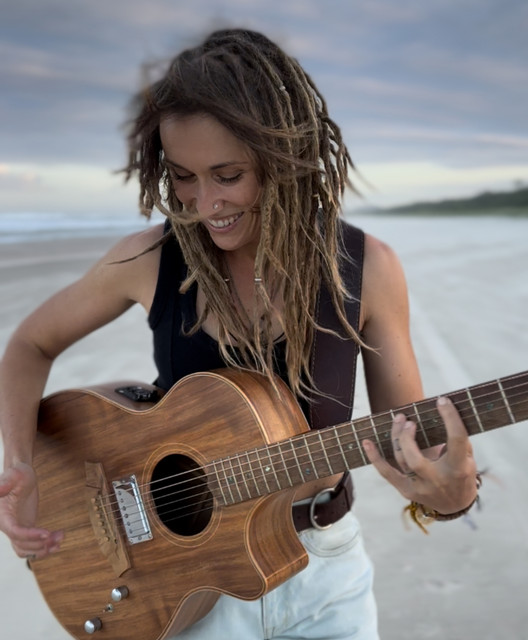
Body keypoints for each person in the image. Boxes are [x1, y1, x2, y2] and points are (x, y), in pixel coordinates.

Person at [0, 28, 478, 639]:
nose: (205, 204)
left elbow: (417, 450)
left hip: (325, 576)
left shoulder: (366, 270)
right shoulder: (151, 260)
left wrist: (451, 497)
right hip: (184, 584)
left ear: (282, 157)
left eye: (227, 175)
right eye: (183, 177)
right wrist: (21, 464)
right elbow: (29, 345)